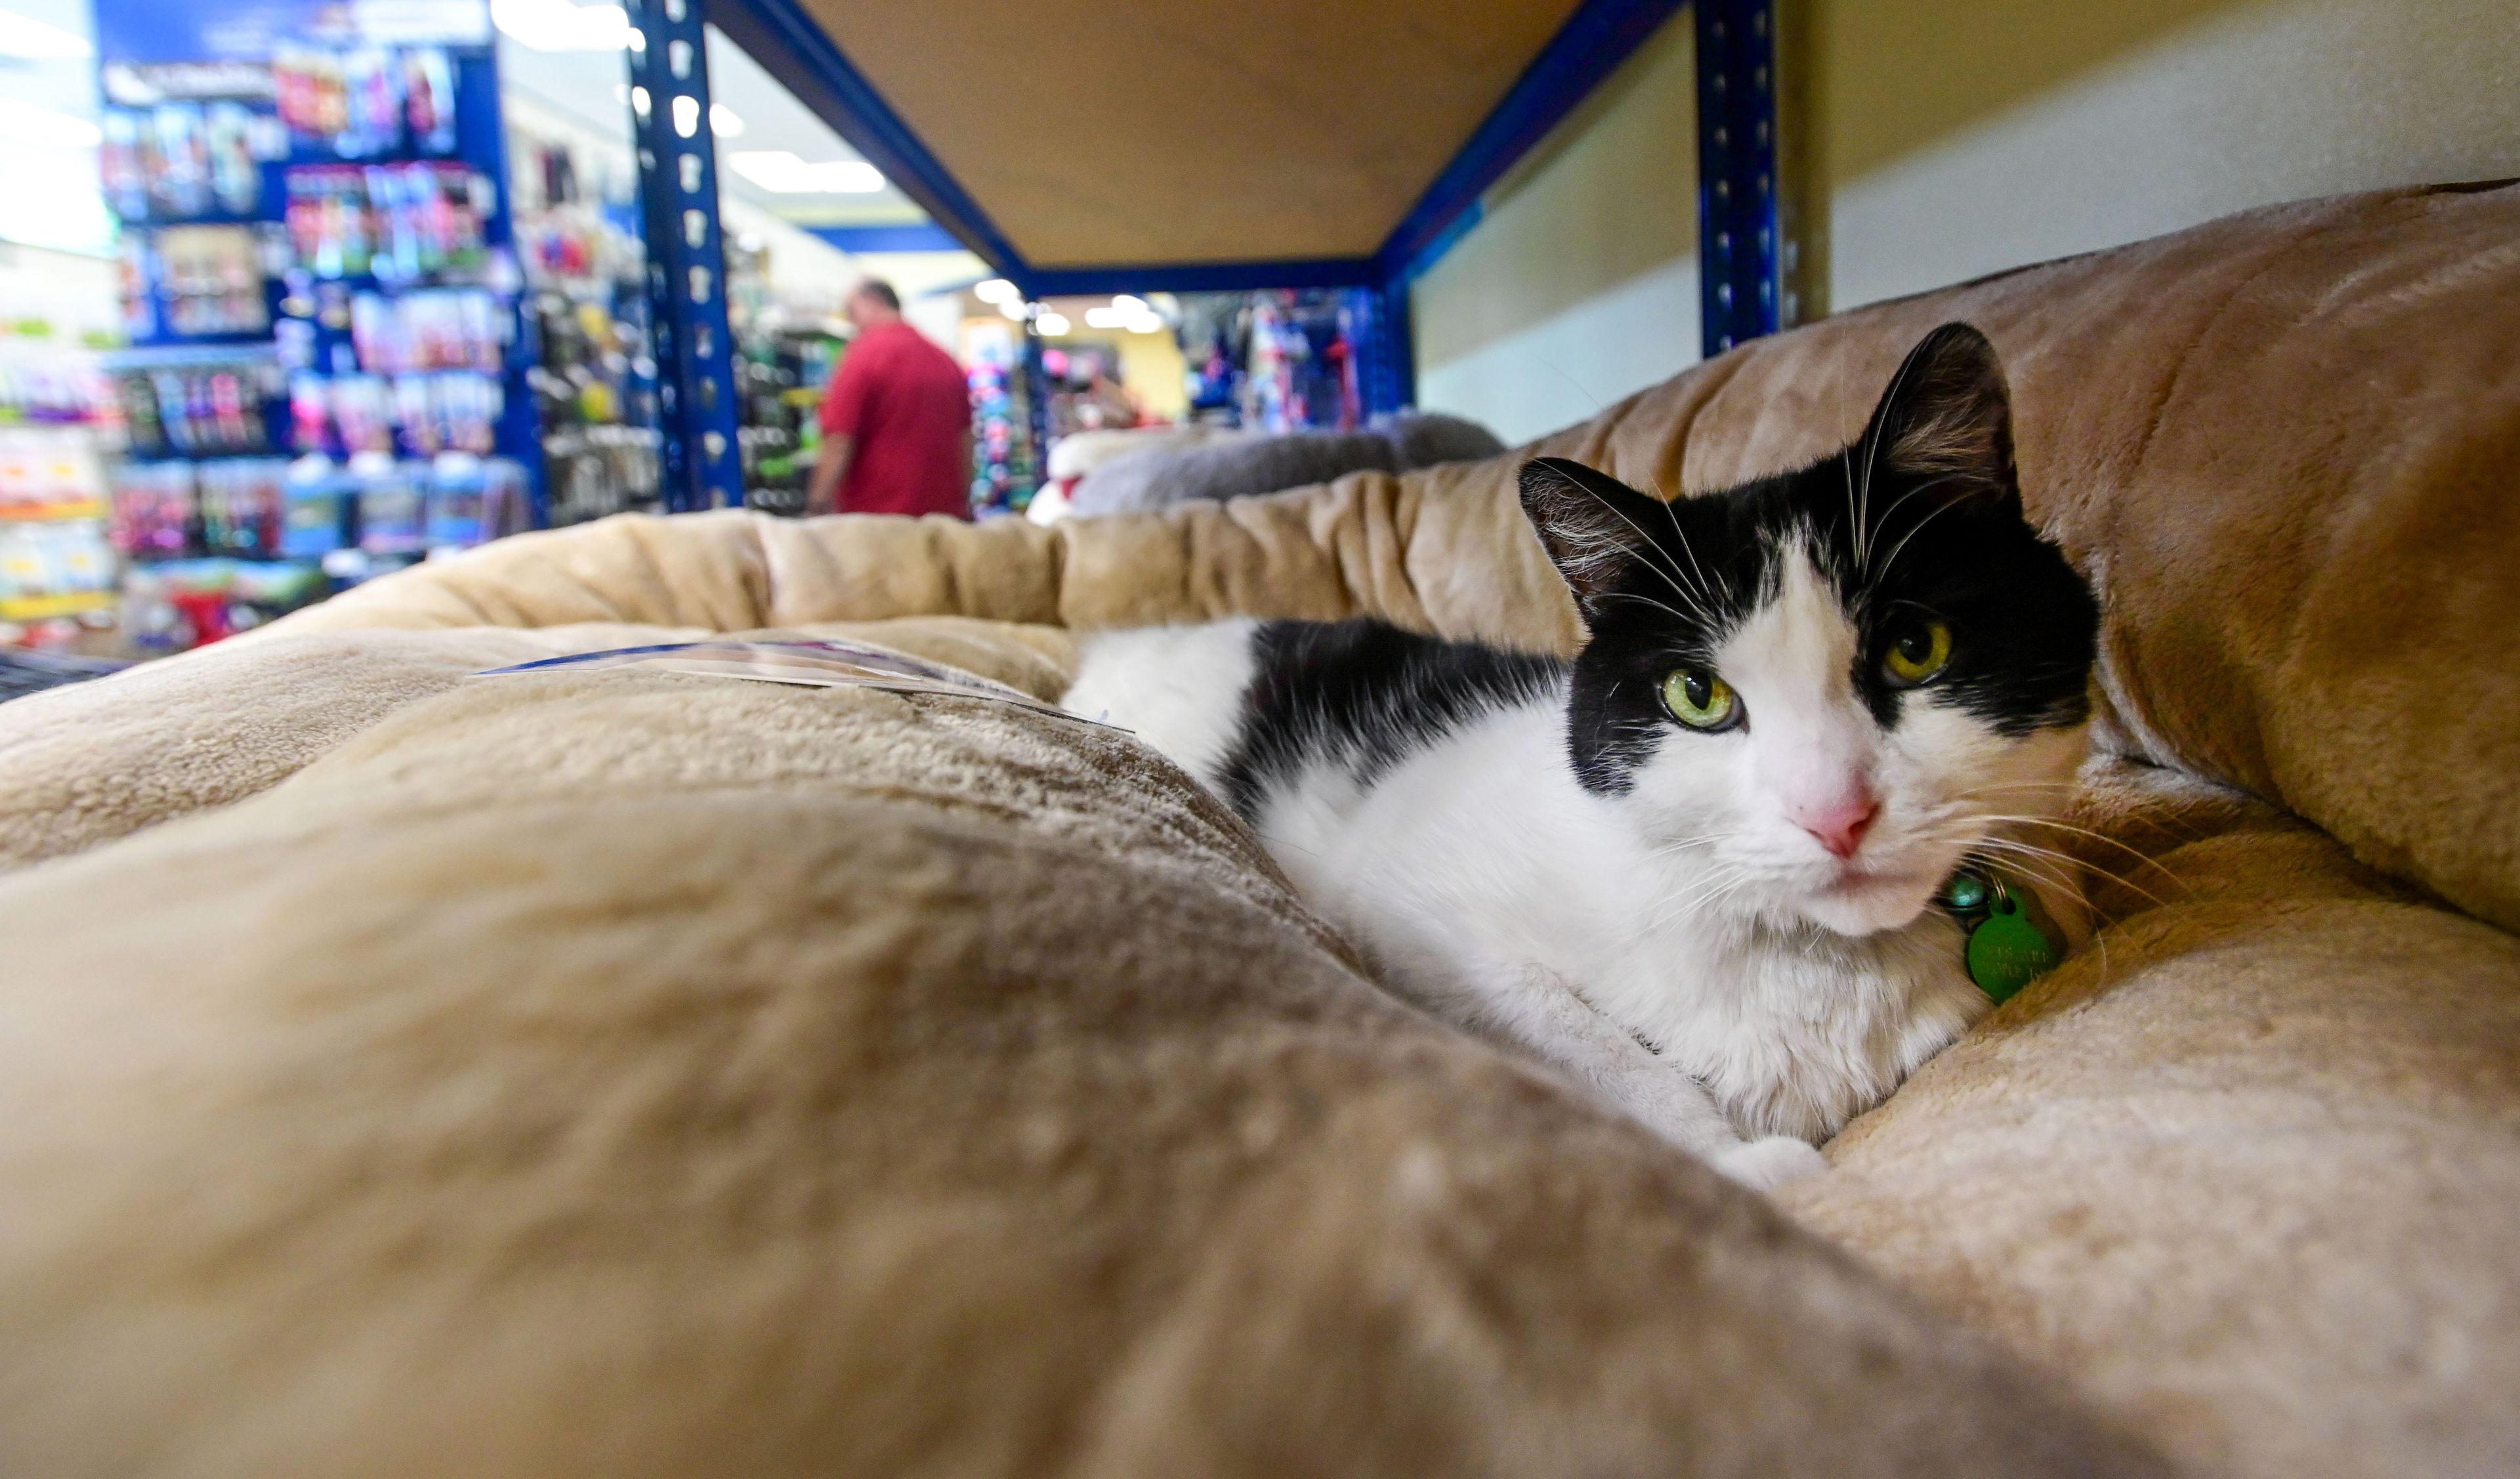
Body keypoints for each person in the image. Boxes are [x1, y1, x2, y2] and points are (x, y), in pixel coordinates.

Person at [806, 279, 973, 519]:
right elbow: (966, 443)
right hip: (942, 521)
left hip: (879, 524)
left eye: (851, 312)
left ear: (871, 303)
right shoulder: (944, 360)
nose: (851, 322)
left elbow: (839, 442)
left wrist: (817, 504)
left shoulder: (864, 356)